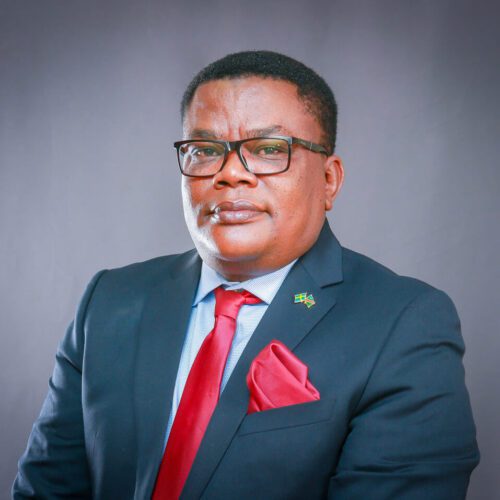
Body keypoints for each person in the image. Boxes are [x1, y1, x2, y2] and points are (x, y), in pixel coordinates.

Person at [13, 50, 479, 499]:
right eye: (204, 150)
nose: (231, 174)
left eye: (269, 149)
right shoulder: (111, 301)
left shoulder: (403, 324)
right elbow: (47, 489)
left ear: (329, 180)